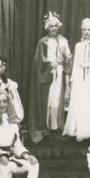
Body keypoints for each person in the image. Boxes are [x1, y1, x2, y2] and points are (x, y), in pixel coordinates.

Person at [29, 12, 72, 144]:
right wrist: (49, 65)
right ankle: (45, 126)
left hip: (59, 72)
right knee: (47, 99)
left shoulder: (63, 40)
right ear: (47, 27)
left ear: (58, 27)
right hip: (47, 75)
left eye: (55, 26)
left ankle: (56, 126)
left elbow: (68, 57)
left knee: (57, 98)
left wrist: (67, 59)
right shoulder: (43, 42)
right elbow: (39, 62)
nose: (53, 28)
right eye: (51, 26)